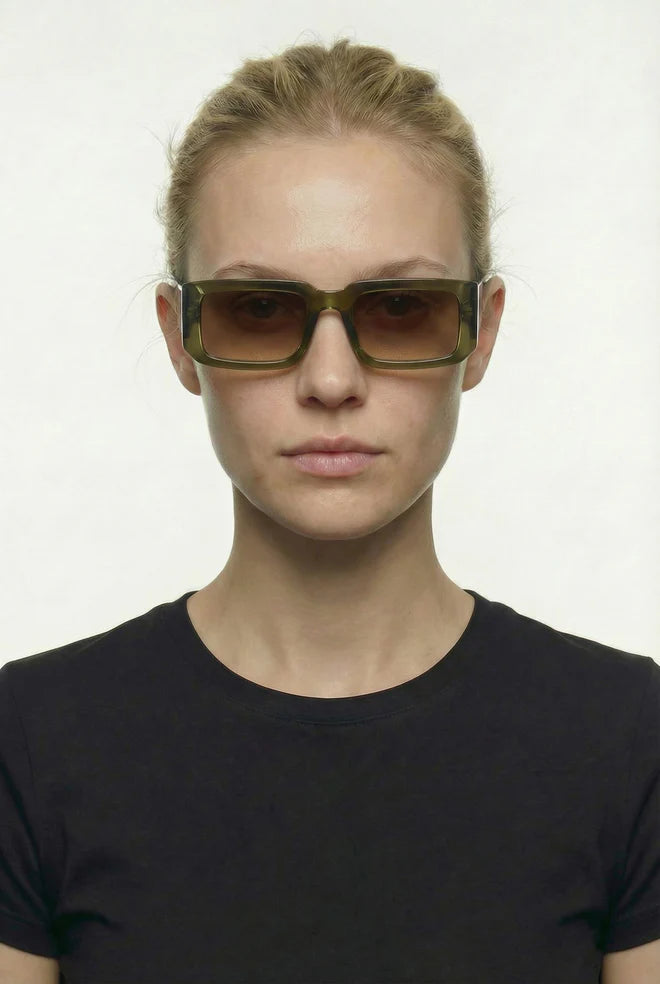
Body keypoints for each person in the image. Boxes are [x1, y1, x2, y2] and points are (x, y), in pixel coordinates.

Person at [1, 36, 658, 984]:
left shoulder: (630, 739)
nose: (332, 380)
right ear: (182, 339)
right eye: (259, 310)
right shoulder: (31, 743)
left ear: (481, 332)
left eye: (401, 308)